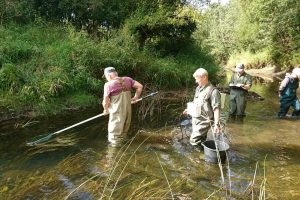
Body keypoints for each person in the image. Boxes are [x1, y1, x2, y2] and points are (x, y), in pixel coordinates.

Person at [102, 67, 143, 146]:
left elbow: (105, 101)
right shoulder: (128, 79)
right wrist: (135, 98)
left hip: (117, 114)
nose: (106, 79)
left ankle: (114, 153)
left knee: (114, 136)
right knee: (124, 132)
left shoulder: (108, 85)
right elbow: (140, 86)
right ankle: (124, 147)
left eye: (106, 77)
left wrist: (105, 110)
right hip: (127, 113)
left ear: (109, 75)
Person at [183, 68, 221, 149]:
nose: (196, 81)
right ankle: (205, 154)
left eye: (197, 79)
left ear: (204, 77)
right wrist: (188, 110)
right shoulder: (198, 88)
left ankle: (199, 156)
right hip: (196, 119)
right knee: (201, 139)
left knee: (194, 140)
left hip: (205, 121)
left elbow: (216, 109)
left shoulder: (213, 91)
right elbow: (195, 102)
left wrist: (216, 125)